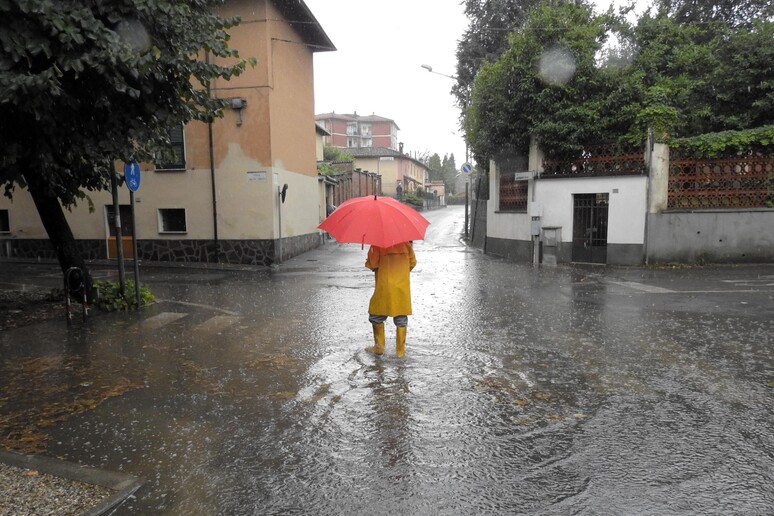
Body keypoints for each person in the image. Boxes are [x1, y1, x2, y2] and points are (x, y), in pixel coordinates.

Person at [364, 241, 416, 357]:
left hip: (385, 286)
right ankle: (400, 352)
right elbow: (412, 262)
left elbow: (372, 264)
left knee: (376, 316)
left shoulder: (377, 244)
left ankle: (379, 347)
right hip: (401, 287)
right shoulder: (406, 244)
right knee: (401, 318)